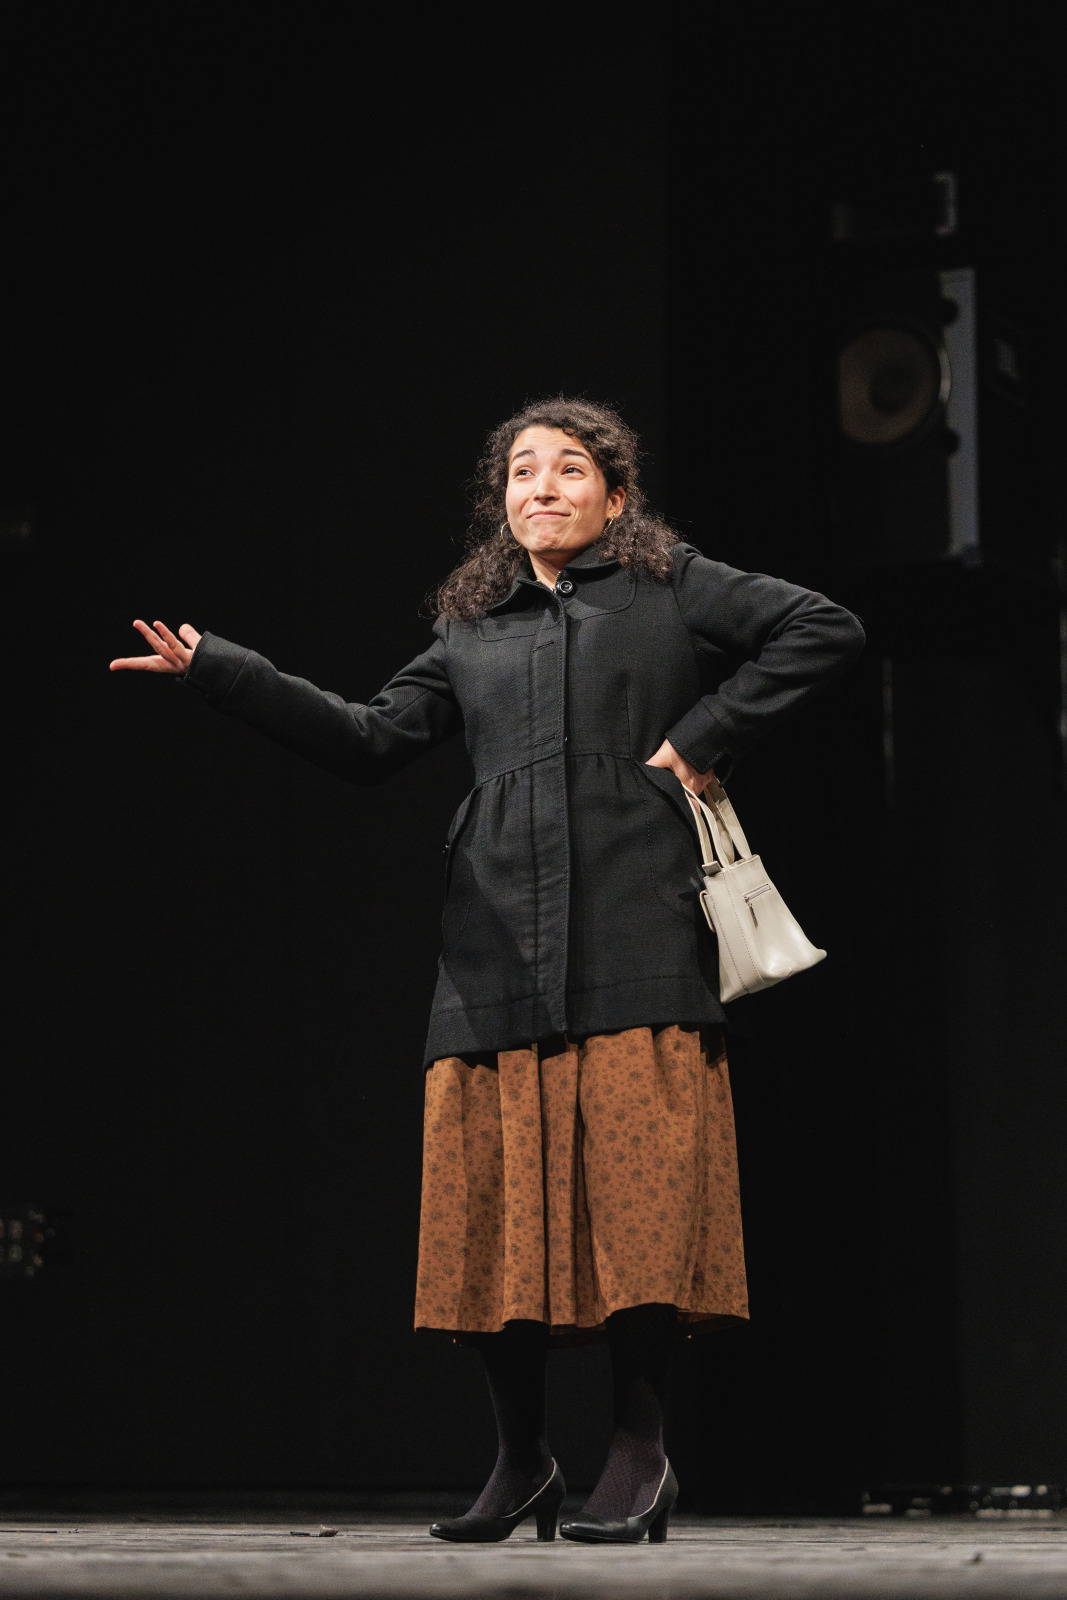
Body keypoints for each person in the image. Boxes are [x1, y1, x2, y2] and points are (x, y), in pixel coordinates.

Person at [111, 396, 864, 1544]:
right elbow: (368, 738)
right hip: (494, 941)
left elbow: (824, 626)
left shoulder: (668, 586)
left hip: (635, 933)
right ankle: (520, 1460)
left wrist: (701, 736)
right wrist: (221, 669)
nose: (541, 487)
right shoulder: (470, 628)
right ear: (498, 499)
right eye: (521, 471)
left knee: (637, 1202)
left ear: (616, 495)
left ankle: (638, 1450)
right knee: (491, 1204)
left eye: (569, 469)